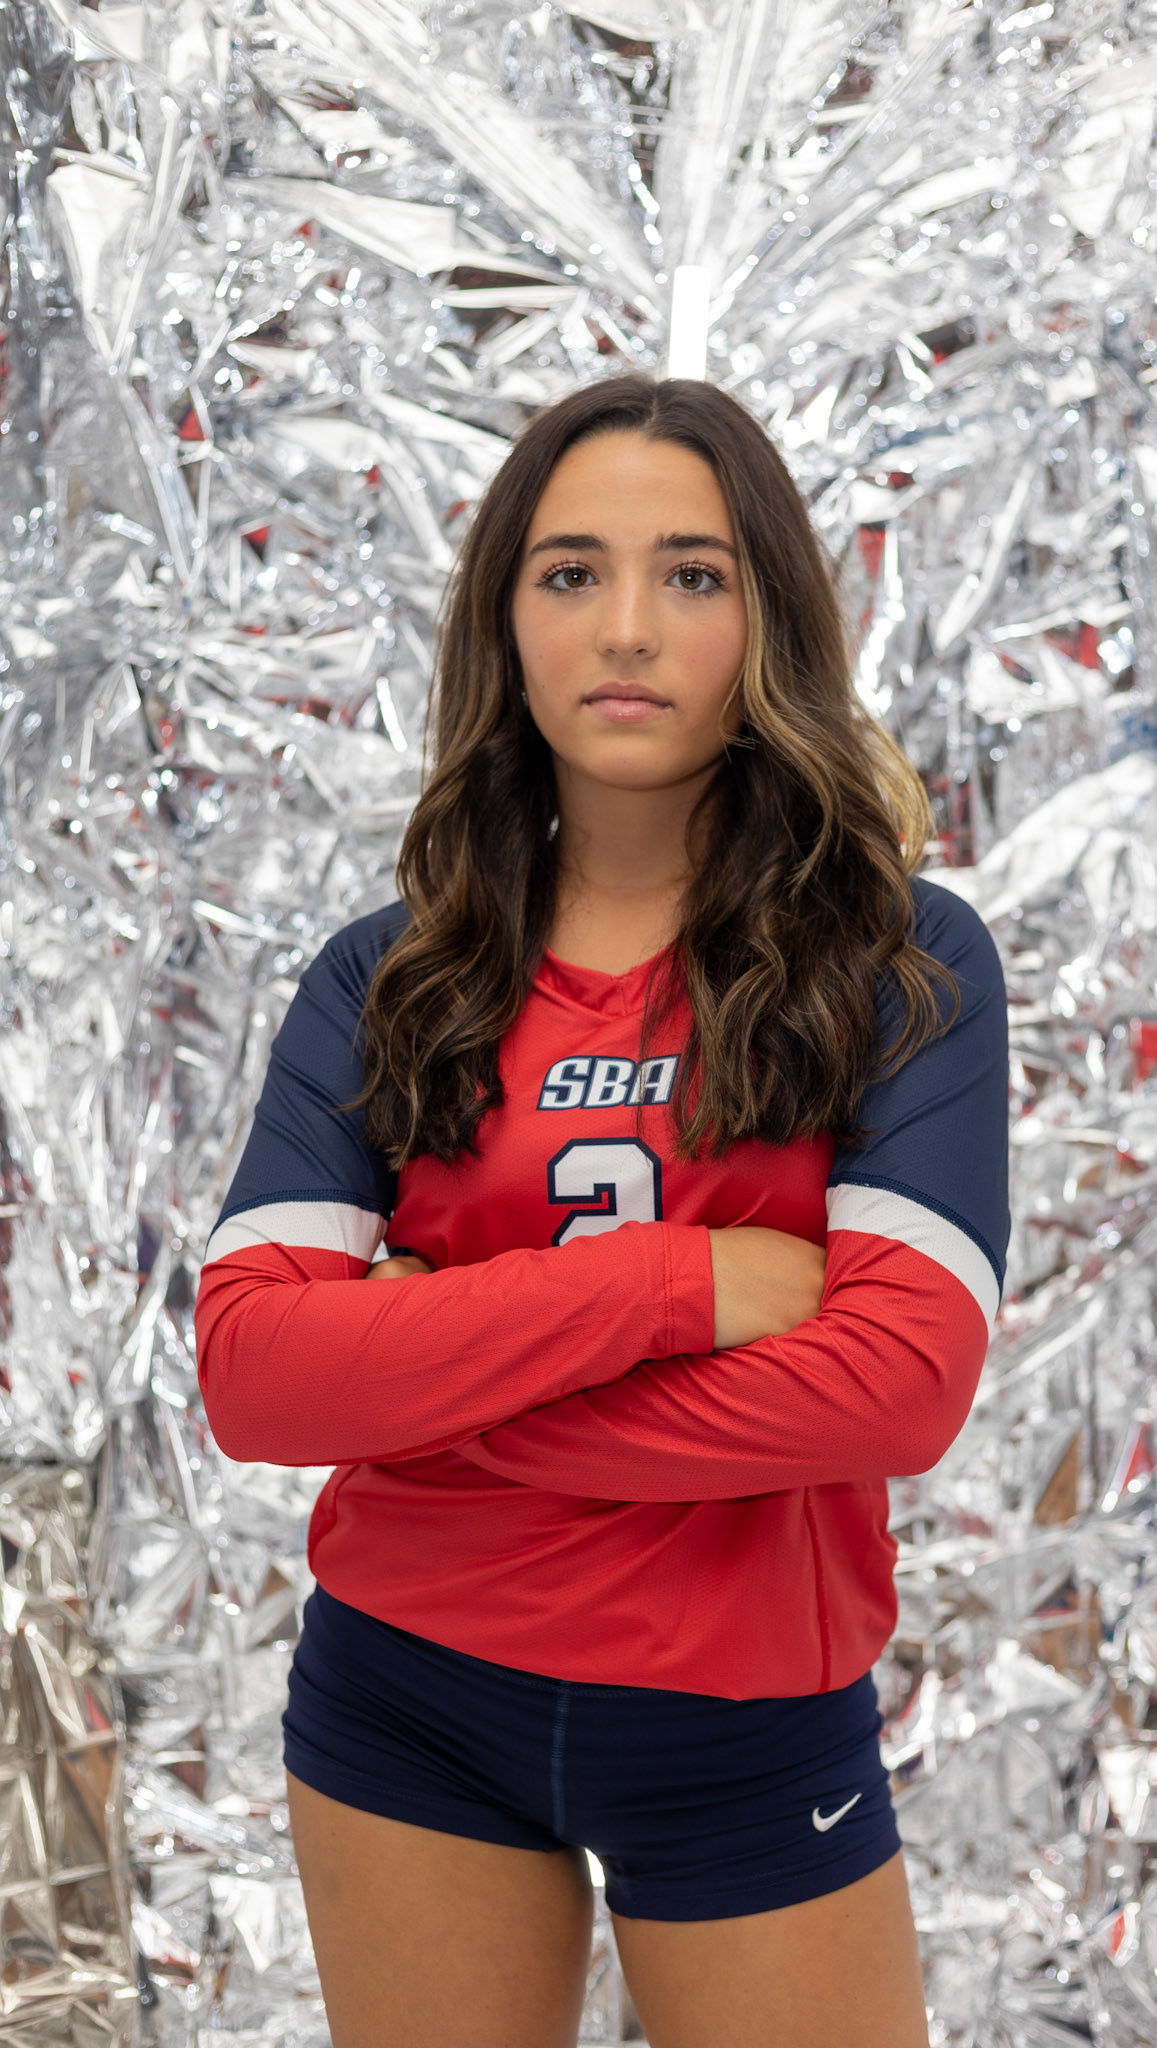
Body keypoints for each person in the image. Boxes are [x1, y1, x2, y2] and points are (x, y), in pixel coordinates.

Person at [194, 372, 1010, 2048]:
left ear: (766, 616)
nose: (626, 625)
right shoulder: (388, 974)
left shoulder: (899, 963)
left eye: (691, 575)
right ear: (506, 620)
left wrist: (424, 1394)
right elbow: (260, 1377)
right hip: (406, 1696)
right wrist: (685, 1281)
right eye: (570, 572)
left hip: (742, 1721)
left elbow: (897, 1389)